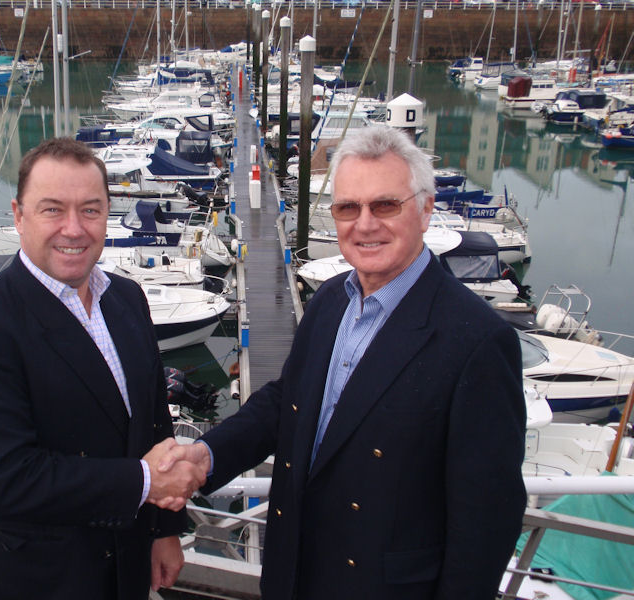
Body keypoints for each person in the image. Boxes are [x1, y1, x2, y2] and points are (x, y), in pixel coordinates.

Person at [159, 125, 527, 599]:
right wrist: (206, 456)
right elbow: (286, 402)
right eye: (348, 208)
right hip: (295, 571)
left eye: (385, 205)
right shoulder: (333, 299)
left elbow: (487, 519)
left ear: (425, 209)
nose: (365, 224)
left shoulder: (477, 340)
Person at [0, 138, 204, 599]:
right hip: (42, 581)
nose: (74, 229)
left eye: (91, 209)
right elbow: (8, 479)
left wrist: (165, 530)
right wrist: (144, 482)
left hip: (128, 567)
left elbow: (154, 423)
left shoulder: (126, 298)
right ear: (18, 216)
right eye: (52, 210)